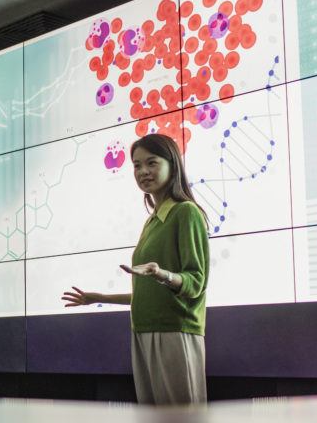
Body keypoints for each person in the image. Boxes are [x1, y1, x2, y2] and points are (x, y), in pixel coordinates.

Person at [61, 134, 209, 405]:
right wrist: (99, 298)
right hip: (143, 330)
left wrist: (162, 274)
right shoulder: (153, 221)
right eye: (136, 165)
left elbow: (196, 281)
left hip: (175, 331)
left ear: (172, 164)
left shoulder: (186, 212)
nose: (143, 172)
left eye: (151, 163)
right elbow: (149, 292)